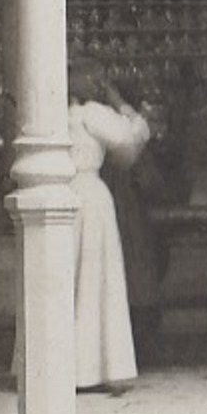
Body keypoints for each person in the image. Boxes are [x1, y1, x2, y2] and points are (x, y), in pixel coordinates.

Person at [64, 58, 149, 392]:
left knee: (68, 280)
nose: (97, 85)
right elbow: (133, 141)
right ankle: (93, 368)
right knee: (96, 282)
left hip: (62, 194)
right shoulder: (92, 114)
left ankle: (66, 368)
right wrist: (119, 101)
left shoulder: (57, 116)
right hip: (89, 197)